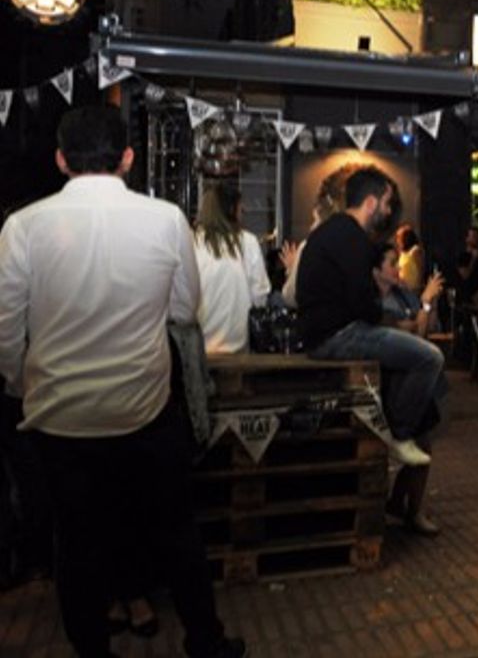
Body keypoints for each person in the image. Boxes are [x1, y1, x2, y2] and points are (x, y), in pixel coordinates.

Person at [0, 106, 244, 658]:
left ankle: (93, 650)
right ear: (128, 158)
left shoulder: (23, 227)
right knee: (176, 531)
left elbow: (7, 331)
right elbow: (183, 311)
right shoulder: (166, 220)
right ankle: (205, 643)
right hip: (145, 410)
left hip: (61, 418)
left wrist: (22, 386)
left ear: (61, 159)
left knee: (76, 543)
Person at [296, 166, 443, 467]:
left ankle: (397, 428)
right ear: (371, 202)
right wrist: (393, 322)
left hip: (317, 335)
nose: (388, 211)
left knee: (405, 356)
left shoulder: (327, 232)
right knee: (430, 357)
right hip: (338, 337)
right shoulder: (355, 239)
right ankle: (400, 436)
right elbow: (363, 305)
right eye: (387, 203)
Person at [373, 243, 447, 536]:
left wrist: (428, 305)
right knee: (391, 448)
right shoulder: (371, 302)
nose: (398, 269)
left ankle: (407, 507)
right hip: (387, 383)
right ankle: (394, 506)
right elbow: (406, 333)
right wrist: (423, 306)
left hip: (412, 381)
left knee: (422, 446)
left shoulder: (403, 294)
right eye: (392, 263)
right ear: (376, 270)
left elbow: (423, 333)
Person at [193, 183, 271, 354]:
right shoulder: (248, 241)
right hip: (238, 348)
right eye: (240, 207)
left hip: (199, 349)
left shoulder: (192, 242)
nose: (243, 211)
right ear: (231, 209)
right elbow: (260, 297)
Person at [281, 165, 350, 308]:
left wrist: (292, 269)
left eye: (315, 220)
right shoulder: (361, 245)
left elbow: (291, 297)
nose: (311, 227)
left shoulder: (310, 248)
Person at [395, 223, 427, 293]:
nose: (397, 240)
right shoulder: (403, 253)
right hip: (404, 288)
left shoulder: (415, 250)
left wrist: (419, 287)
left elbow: (421, 269)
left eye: (399, 237)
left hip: (414, 288)